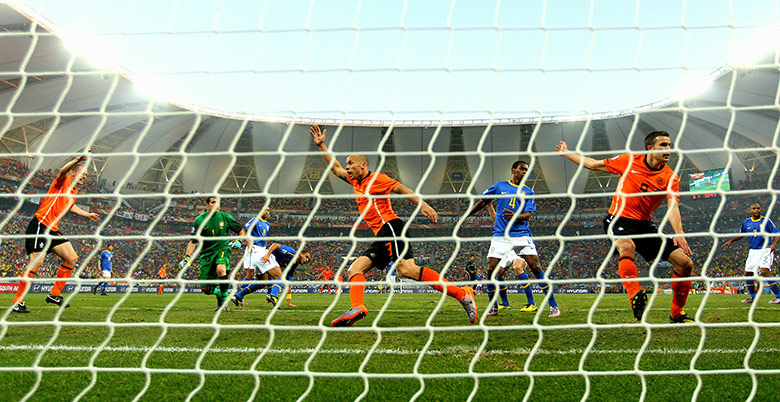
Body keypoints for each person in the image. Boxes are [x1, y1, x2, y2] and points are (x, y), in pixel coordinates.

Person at [310, 124, 477, 327]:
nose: (347, 167)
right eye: (347, 163)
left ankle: (463, 295)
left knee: (407, 270)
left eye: (350, 163)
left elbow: (401, 189)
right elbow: (335, 169)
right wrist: (321, 145)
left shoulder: (377, 179)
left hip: (390, 227)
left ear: (363, 165)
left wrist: (422, 204)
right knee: (355, 269)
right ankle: (357, 307)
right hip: (382, 233)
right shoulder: (356, 182)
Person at [556, 130, 695, 323]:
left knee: (685, 264)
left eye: (669, 145)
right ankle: (635, 296)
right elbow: (593, 164)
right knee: (626, 246)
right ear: (650, 148)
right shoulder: (630, 160)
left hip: (645, 225)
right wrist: (566, 153)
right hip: (619, 219)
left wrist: (679, 233)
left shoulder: (670, 177)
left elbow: (673, 206)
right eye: (663, 145)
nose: (668, 149)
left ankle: (676, 314)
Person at [467, 160, 561, 318]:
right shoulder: (500, 186)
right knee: (491, 271)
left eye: (526, 170)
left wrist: (515, 215)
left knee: (535, 267)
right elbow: (483, 201)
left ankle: (553, 306)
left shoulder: (528, 192)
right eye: (522, 169)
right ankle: (493, 307)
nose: (525, 172)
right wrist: (467, 214)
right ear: (513, 170)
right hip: (501, 236)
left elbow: (528, 215)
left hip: (521, 234)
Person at [11, 151, 100, 313]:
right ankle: (18, 301)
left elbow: (71, 206)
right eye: (83, 173)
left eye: (87, 175)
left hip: (52, 230)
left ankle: (54, 294)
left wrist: (87, 214)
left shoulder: (74, 192)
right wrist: (78, 159)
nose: (85, 177)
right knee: (36, 263)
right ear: (74, 172)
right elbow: (62, 171)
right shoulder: (63, 181)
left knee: (71, 258)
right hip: (40, 224)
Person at [179, 196, 244, 311]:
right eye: (213, 202)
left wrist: (239, 240)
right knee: (205, 289)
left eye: (218, 203)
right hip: (206, 254)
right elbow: (193, 241)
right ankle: (219, 294)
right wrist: (187, 258)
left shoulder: (225, 217)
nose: (217, 205)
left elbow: (241, 230)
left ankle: (223, 303)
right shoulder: (199, 221)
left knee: (221, 270)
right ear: (207, 205)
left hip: (222, 249)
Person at [721, 203, 780, 304]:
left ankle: (778, 296)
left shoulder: (766, 221)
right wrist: (731, 241)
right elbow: (742, 235)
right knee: (748, 274)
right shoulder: (746, 222)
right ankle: (752, 297)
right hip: (753, 251)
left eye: (758, 208)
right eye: (754, 208)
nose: (756, 210)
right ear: (750, 210)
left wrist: (774, 244)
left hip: (765, 249)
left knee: (764, 272)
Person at [232, 243, 312, 307]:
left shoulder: (293, 265)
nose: (306, 260)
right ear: (301, 254)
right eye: (306, 257)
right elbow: (275, 245)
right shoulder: (292, 253)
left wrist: (289, 302)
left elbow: (288, 284)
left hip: (261, 260)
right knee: (280, 277)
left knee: (262, 283)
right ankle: (273, 295)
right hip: (264, 256)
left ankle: (238, 295)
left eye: (308, 259)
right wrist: (267, 255)